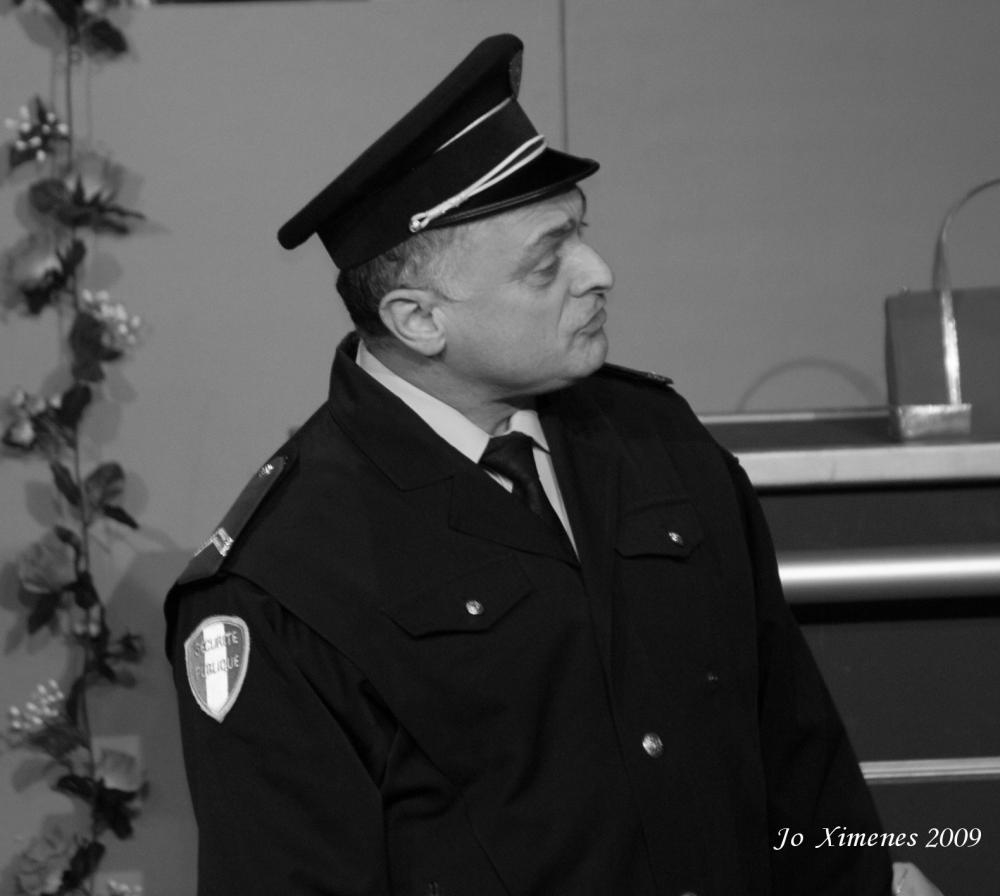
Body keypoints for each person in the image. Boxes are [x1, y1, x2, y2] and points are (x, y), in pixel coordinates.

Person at [165, 33, 912, 895]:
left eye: (580, 232)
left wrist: (869, 882)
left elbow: (795, 748)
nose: (599, 272)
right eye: (546, 262)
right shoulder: (281, 580)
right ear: (418, 321)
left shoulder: (655, 438)